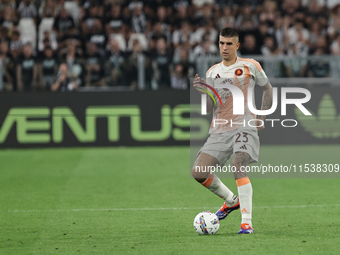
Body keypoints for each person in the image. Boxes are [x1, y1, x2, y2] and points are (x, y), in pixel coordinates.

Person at [192, 28, 273, 234]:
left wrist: (261, 118)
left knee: (238, 165)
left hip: (244, 127)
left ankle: (246, 223)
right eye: (221, 43)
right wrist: (205, 91)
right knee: (198, 172)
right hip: (219, 130)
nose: (224, 47)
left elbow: (268, 88)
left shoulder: (250, 65)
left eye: (229, 44)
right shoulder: (212, 72)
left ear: (237, 45)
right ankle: (231, 201)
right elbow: (209, 108)